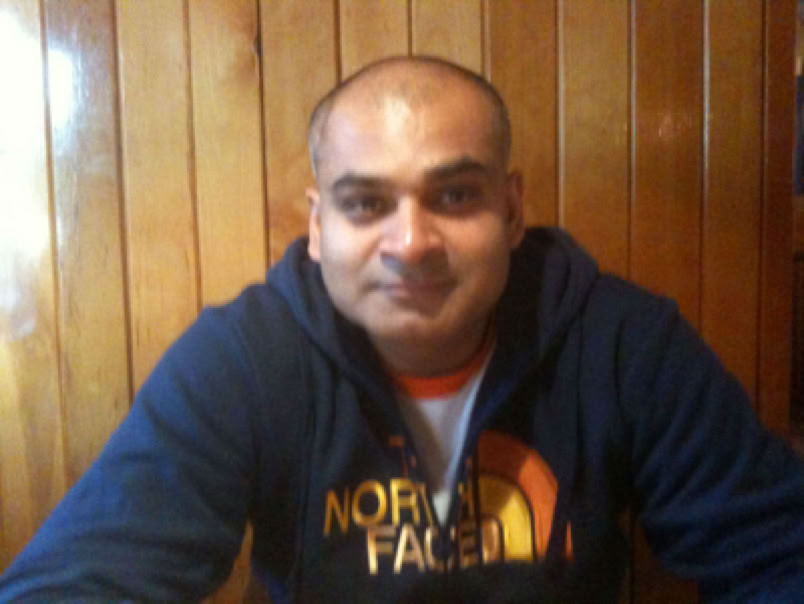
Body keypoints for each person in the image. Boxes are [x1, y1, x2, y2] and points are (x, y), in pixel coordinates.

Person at [1, 55, 802, 603]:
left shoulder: (625, 344)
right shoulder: (244, 359)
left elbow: (776, 552)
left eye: (454, 197)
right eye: (365, 204)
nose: (411, 242)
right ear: (318, 227)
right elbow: (80, 579)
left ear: (512, 211)